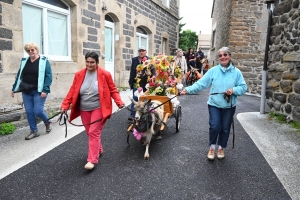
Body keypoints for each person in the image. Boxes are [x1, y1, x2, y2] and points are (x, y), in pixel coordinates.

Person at [60, 52, 125, 170]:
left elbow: (113, 90)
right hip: (84, 108)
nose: (89, 64)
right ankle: (98, 149)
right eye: (87, 62)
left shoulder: (105, 74)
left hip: (99, 108)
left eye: (92, 62)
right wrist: (65, 104)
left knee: (94, 132)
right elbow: (72, 90)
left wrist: (119, 102)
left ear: (97, 63)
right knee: (89, 132)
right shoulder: (79, 74)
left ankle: (92, 160)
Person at [180, 47, 247, 160]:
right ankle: (212, 147)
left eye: (225, 55)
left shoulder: (236, 72)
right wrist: (188, 90)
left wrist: (234, 90)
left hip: (229, 106)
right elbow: (202, 83)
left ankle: (221, 147)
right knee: (215, 126)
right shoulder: (213, 71)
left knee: (225, 128)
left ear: (230, 56)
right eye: (220, 55)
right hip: (214, 104)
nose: (223, 57)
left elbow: (243, 87)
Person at [11, 42, 52, 140]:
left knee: (37, 111)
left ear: (37, 50)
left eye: (32, 50)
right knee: (29, 112)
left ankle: (47, 122)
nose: (30, 52)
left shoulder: (43, 61)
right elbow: (19, 76)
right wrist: (14, 88)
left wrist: (45, 90)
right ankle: (34, 131)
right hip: (26, 90)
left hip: (38, 91)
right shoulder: (25, 61)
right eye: (28, 50)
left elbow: (48, 76)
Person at [128, 46, 156, 120]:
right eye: (140, 51)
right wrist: (130, 81)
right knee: (135, 98)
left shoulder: (149, 60)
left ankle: (145, 113)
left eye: (143, 51)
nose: (141, 52)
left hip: (146, 84)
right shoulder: (134, 60)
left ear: (145, 52)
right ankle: (132, 114)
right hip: (136, 83)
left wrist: (153, 76)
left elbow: (154, 71)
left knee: (146, 99)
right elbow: (132, 71)